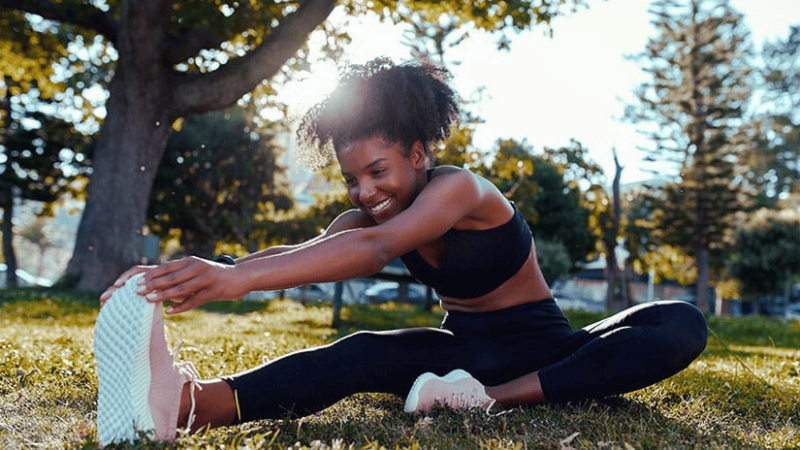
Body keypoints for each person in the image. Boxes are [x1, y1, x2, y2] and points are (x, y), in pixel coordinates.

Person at [94, 57, 707, 445]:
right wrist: (200, 272)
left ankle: (490, 402)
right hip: (457, 356)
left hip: (545, 350)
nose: (367, 191)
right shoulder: (361, 217)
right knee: (358, 353)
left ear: (418, 154)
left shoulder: (461, 189)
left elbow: (379, 247)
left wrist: (235, 284)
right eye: (353, 179)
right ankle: (187, 406)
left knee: (679, 323)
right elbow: (311, 249)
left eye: (379, 170)